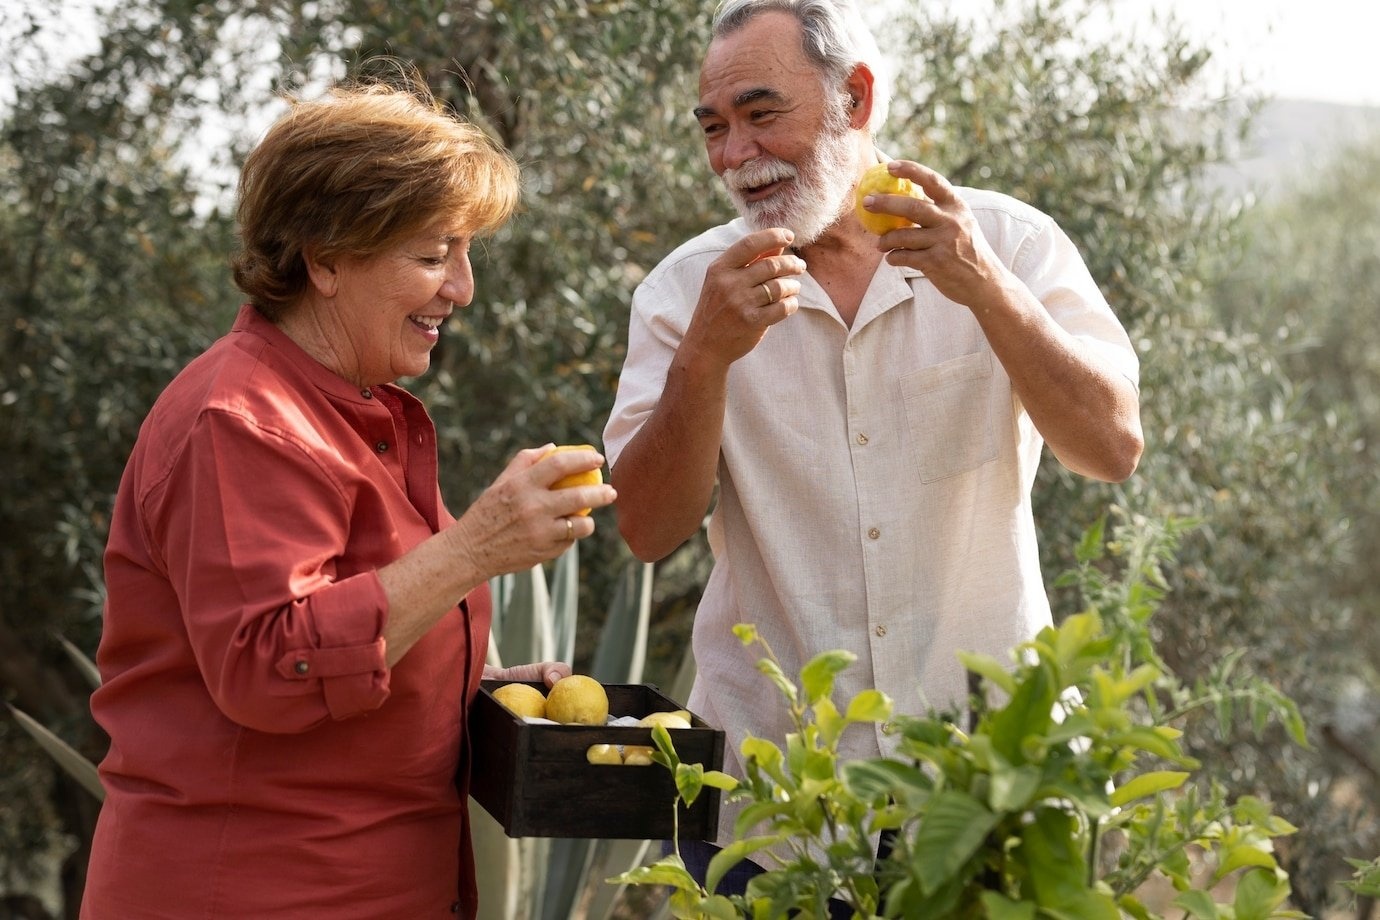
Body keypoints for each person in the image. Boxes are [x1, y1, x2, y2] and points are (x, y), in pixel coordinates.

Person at [601, 0, 1143, 905]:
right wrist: (703, 358)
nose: (736, 155)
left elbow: (1112, 447)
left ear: (855, 96)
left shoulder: (1011, 243)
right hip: (776, 814)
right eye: (714, 128)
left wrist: (987, 290)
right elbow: (647, 531)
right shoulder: (683, 294)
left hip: (988, 798)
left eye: (761, 114)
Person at [81, 71, 616, 919]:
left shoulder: (348, 410)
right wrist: (475, 547)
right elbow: (272, 666)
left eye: (465, 254)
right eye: (433, 256)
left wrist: (473, 683)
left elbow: (352, 633)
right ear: (326, 258)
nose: (463, 288)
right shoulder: (241, 421)